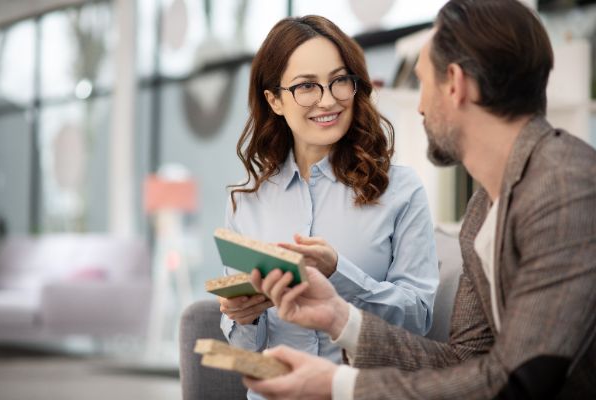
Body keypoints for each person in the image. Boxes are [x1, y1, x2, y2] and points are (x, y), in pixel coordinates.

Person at [244, 0, 596, 399]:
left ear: (455, 84)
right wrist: (342, 318)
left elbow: (518, 383)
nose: (420, 106)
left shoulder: (565, 186)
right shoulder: (484, 210)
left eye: (422, 83)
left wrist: (338, 385)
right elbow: (465, 364)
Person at [218, 15, 439, 400]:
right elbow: (243, 353)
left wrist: (338, 273)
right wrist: (244, 316)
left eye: (339, 80)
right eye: (306, 86)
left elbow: (418, 320)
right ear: (274, 100)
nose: (328, 99)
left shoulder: (401, 190)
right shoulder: (245, 200)